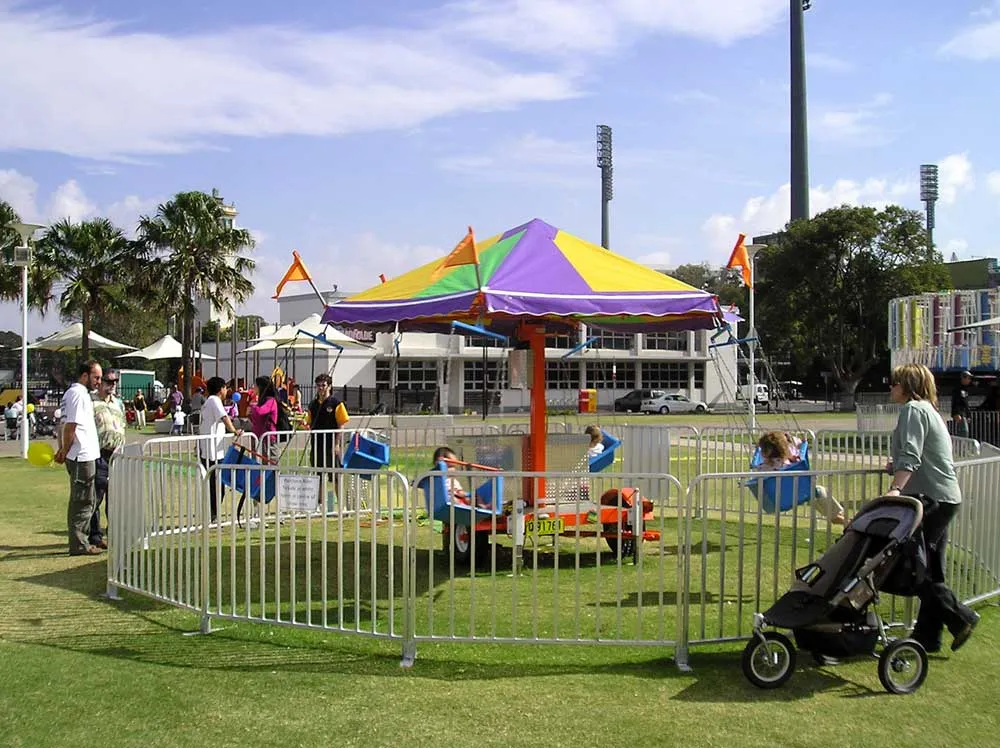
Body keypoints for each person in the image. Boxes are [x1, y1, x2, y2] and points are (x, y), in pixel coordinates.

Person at [887, 363, 980, 653]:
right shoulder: (929, 410)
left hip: (932, 499)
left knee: (916, 568)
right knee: (932, 569)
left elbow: (912, 453)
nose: (891, 387)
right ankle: (927, 637)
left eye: (895, 382)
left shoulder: (913, 410)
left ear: (907, 385)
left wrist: (896, 488)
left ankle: (961, 617)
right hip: (944, 495)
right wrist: (896, 465)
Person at [54, 360, 103, 556]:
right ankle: (79, 544)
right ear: (85, 376)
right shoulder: (77, 394)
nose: (98, 382)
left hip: (83, 453)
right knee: (82, 501)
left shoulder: (76, 394)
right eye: (96, 377)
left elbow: (65, 425)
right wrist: (64, 451)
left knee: (86, 499)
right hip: (80, 455)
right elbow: (69, 426)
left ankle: (83, 540)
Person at [755, 431, 845, 525]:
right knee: (819, 491)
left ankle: (841, 519)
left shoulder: (763, 466)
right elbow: (795, 448)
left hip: (779, 497)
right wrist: (800, 445)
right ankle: (842, 517)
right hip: (792, 493)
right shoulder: (787, 462)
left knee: (817, 497)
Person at [90, 369, 127, 550]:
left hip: (117, 454)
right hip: (99, 454)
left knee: (115, 498)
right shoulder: (91, 401)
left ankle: (115, 532)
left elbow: (123, 426)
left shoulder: (118, 403)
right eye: (108, 381)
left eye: (115, 382)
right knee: (96, 496)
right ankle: (95, 535)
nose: (112, 385)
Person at [198, 376, 242, 523]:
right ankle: (214, 515)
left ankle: (213, 514)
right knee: (217, 485)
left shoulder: (207, 402)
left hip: (209, 449)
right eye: (225, 388)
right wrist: (234, 431)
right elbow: (224, 417)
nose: (226, 391)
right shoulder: (214, 401)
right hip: (212, 452)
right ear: (220, 389)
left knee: (215, 484)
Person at [306, 373, 350, 470]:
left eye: (323, 385)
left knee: (335, 473)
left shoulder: (336, 403)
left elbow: (341, 425)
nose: (321, 388)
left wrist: (337, 444)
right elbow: (309, 424)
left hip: (331, 444)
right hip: (316, 444)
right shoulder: (312, 405)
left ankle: (337, 486)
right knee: (318, 473)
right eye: (318, 385)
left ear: (329, 386)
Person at [249, 375, 279, 463]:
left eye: (255, 385)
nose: (253, 387)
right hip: (257, 437)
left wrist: (253, 407)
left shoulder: (271, 401)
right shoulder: (260, 401)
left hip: (268, 438)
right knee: (258, 462)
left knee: (270, 462)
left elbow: (261, 411)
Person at [951, 370, 972, 438]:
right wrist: (956, 413)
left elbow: (966, 403)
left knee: (965, 431)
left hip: (964, 413)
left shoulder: (965, 389)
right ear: (963, 378)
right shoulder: (958, 389)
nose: (969, 380)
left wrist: (968, 415)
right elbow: (955, 402)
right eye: (968, 378)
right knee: (964, 431)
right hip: (960, 413)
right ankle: (962, 447)